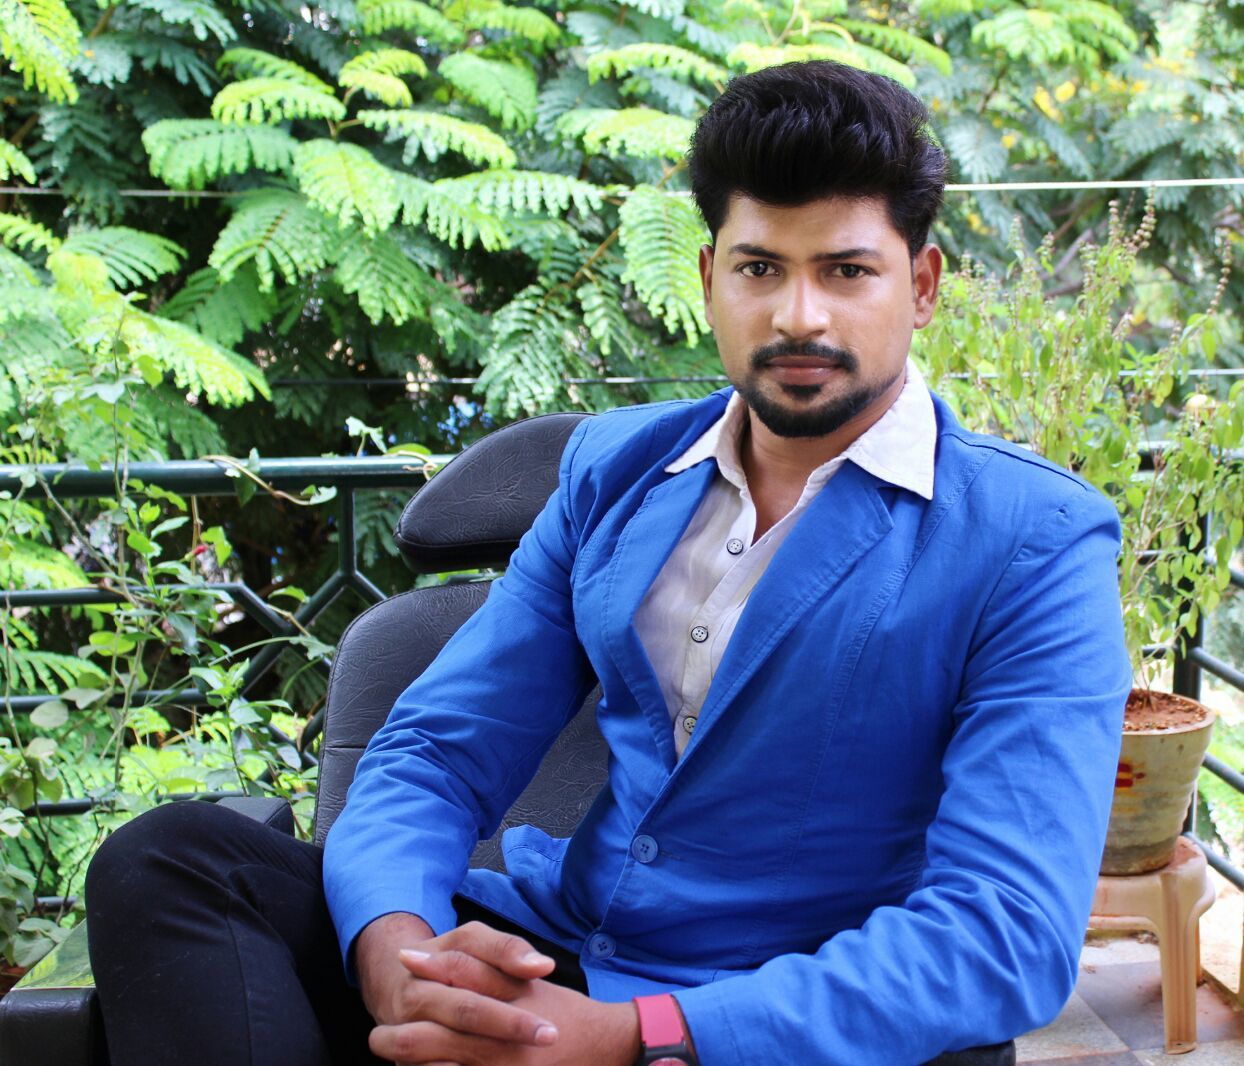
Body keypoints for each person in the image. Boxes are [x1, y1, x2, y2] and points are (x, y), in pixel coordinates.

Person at [85, 60, 1130, 1065]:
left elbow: (1003, 928)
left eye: (846, 271)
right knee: (172, 860)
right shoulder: (618, 472)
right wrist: (402, 957)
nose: (798, 315)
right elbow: (438, 749)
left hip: (766, 1018)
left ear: (922, 284)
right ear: (709, 278)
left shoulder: (1029, 538)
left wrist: (639, 1038)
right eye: (760, 268)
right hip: (560, 958)